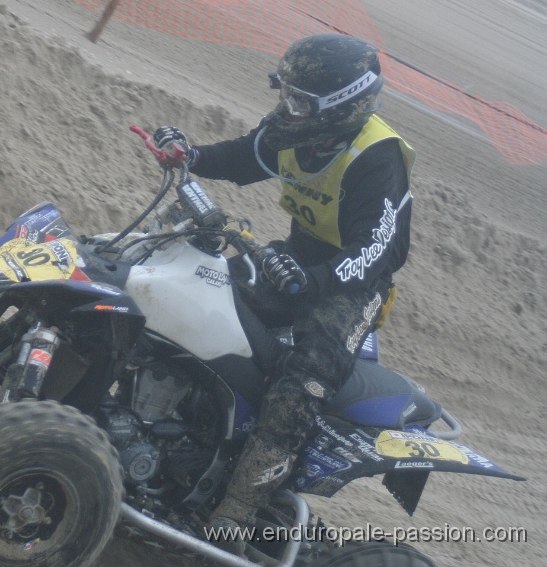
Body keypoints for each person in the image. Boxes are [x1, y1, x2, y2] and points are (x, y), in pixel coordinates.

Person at [153, 33, 415, 553]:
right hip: (292, 259)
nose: (286, 108)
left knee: (303, 381)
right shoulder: (298, 129)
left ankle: (238, 510)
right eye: (286, 94)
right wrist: (193, 155)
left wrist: (312, 280)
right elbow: (249, 157)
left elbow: (376, 252)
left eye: (299, 99)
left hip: (349, 286)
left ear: (341, 106)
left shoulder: (378, 160)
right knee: (201, 289)